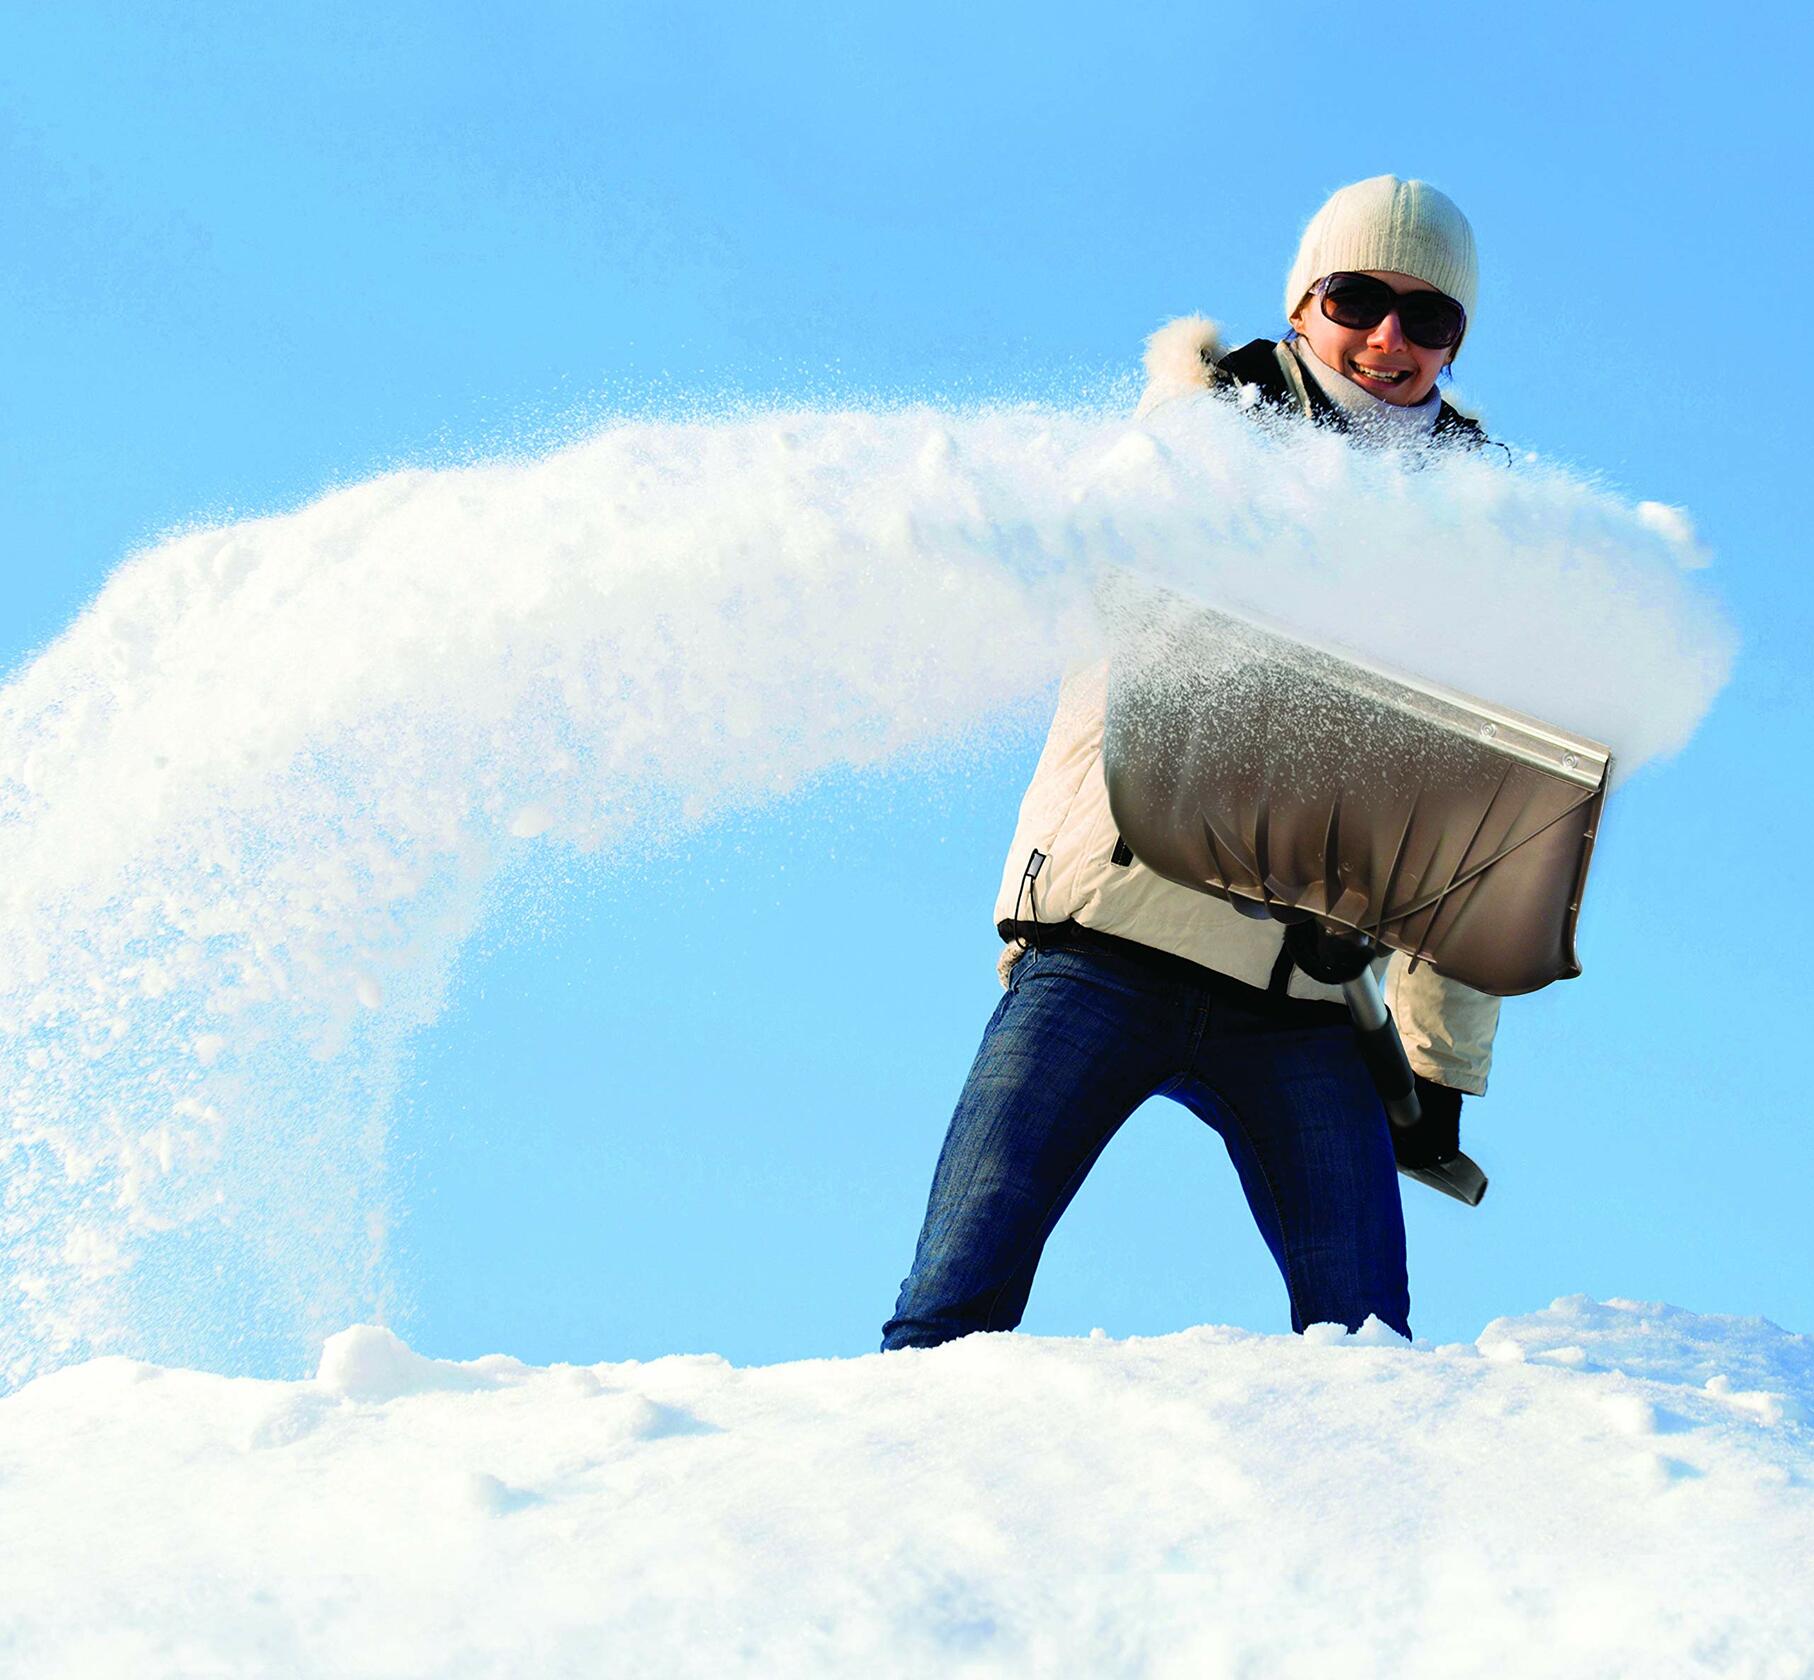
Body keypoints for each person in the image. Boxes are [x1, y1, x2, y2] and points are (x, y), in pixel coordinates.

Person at [882, 176, 1503, 1351]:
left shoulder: (1480, 527)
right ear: (1301, 303)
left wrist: (1434, 1068)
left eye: (1428, 320)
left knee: (1369, 1348)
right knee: (951, 1306)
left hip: (1303, 1002)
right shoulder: (1195, 437)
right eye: (1358, 298)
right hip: (1103, 945)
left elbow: (1476, 819)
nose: (1387, 339)